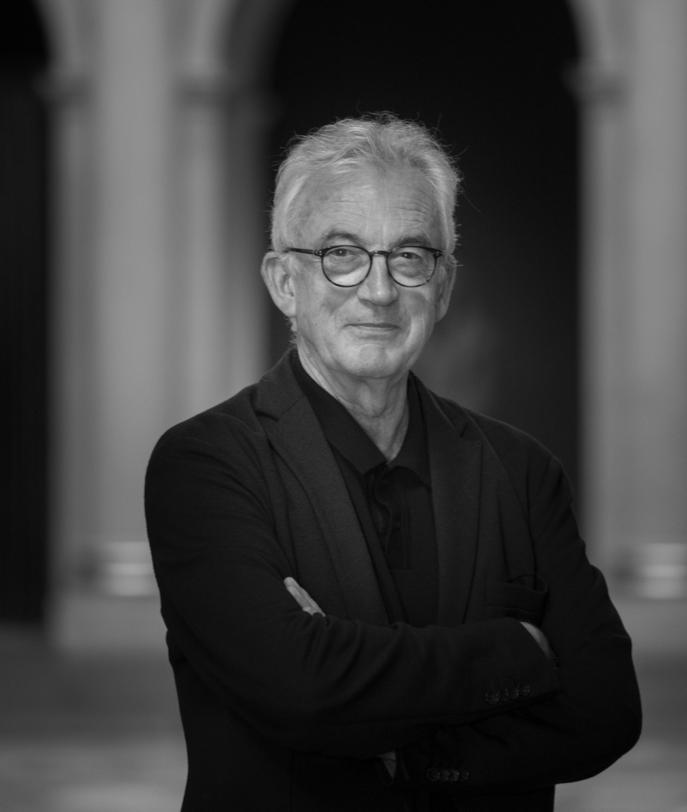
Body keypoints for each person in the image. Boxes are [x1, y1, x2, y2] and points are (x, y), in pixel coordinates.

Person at [145, 115, 641, 812]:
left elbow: (607, 709)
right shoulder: (206, 464)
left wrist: (405, 754)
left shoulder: (522, 470)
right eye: (341, 254)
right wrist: (519, 651)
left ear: (443, 287)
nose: (378, 291)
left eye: (409, 256)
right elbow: (300, 689)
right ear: (284, 282)